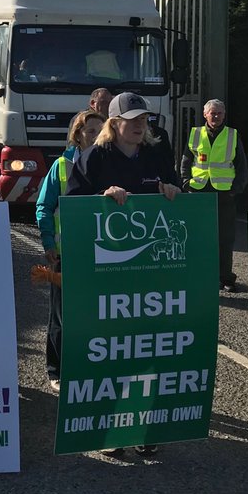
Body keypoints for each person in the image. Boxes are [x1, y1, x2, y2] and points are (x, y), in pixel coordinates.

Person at [67, 92, 179, 457]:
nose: (139, 125)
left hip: (148, 277)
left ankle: (145, 428)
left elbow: (177, 191)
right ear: (114, 123)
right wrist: (101, 195)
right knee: (110, 352)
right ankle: (108, 429)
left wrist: (172, 190)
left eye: (143, 119)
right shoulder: (94, 158)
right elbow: (72, 206)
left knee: (147, 351)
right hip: (107, 275)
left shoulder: (156, 154)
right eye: (131, 120)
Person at [35, 110, 104, 390]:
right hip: (66, 254)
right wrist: (48, 243)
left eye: (101, 131)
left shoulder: (108, 164)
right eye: (91, 131)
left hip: (99, 254)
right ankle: (56, 370)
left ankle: (88, 365)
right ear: (78, 136)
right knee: (61, 316)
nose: (97, 136)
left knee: (95, 313)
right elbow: (44, 206)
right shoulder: (61, 166)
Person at [180, 99, 248, 291]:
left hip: (224, 193)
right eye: (212, 113)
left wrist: (236, 188)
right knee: (200, 236)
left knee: (225, 238)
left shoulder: (232, 135)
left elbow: (242, 165)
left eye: (219, 113)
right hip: (199, 191)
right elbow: (186, 159)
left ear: (224, 115)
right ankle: (203, 275)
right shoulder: (195, 133)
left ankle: (226, 278)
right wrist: (185, 181)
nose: (216, 116)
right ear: (205, 114)